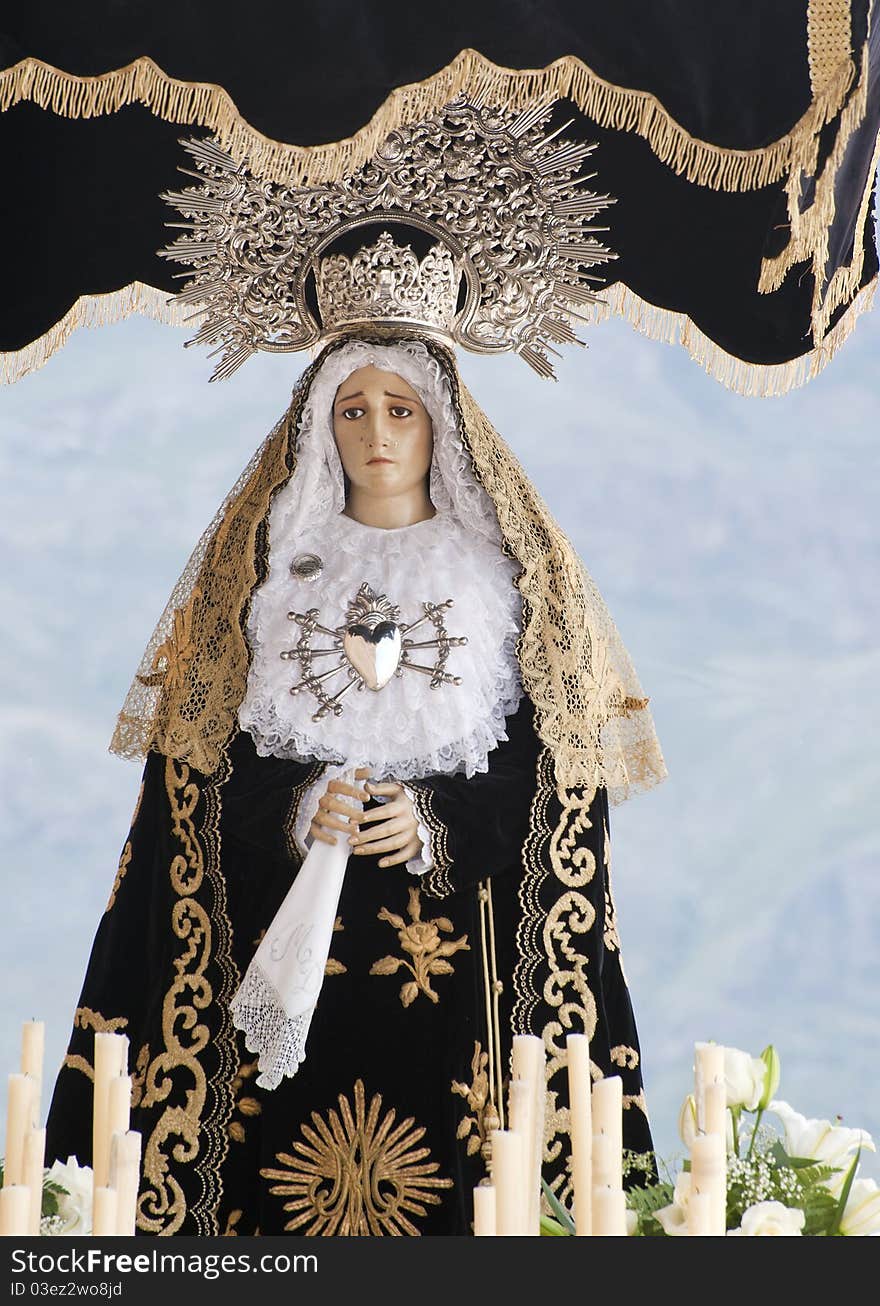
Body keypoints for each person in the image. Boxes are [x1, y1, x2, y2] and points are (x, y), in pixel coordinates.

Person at [45, 100, 666, 1235]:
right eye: (351, 410)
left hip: (463, 994)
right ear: (318, 428)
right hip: (283, 981)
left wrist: (431, 824)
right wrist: (299, 813)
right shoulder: (262, 584)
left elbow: (561, 793)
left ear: (443, 426)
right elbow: (185, 800)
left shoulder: (510, 590)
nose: (377, 433)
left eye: (401, 409)